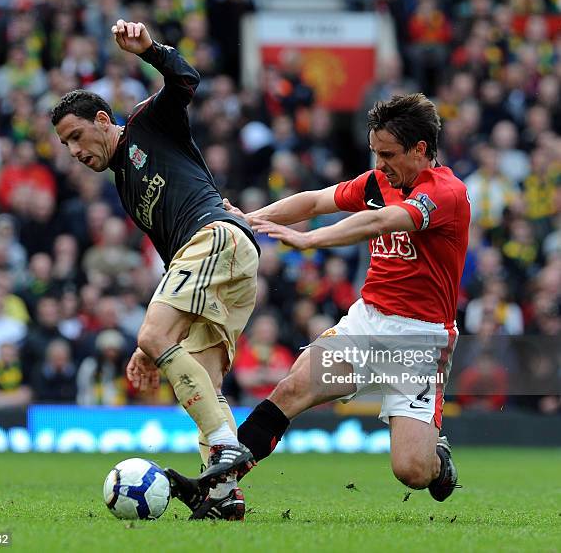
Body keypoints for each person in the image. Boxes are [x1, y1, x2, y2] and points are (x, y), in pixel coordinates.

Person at [171, 93, 470, 516]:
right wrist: (250, 219)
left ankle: (438, 462)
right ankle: (218, 489)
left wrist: (311, 239)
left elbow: (381, 220)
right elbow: (313, 201)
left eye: (387, 155)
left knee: (411, 470)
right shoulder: (378, 181)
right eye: (375, 153)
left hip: (419, 341)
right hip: (366, 323)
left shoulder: (447, 193)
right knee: (292, 388)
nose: (379, 164)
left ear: (420, 151)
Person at [51, 20, 260, 521]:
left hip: (215, 237)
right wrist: (156, 345)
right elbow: (171, 255)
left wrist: (149, 50)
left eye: (77, 136)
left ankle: (229, 448)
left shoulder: (147, 123)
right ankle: (224, 497)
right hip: (217, 259)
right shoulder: (124, 183)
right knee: (202, 389)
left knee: (155, 335)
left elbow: (186, 80)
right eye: (66, 147)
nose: (76, 152)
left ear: (104, 120)